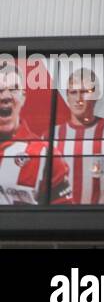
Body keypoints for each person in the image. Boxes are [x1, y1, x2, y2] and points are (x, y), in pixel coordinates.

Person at [52, 66, 104, 205]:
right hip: (59, 218)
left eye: (85, 92)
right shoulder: (53, 135)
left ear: (97, 95)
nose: (79, 99)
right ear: (67, 96)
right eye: (73, 92)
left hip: (98, 219)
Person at [0, 63, 71, 205]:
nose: (6, 96)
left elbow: (63, 218)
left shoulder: (46, 154)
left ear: (23, 97)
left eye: (13, 89)